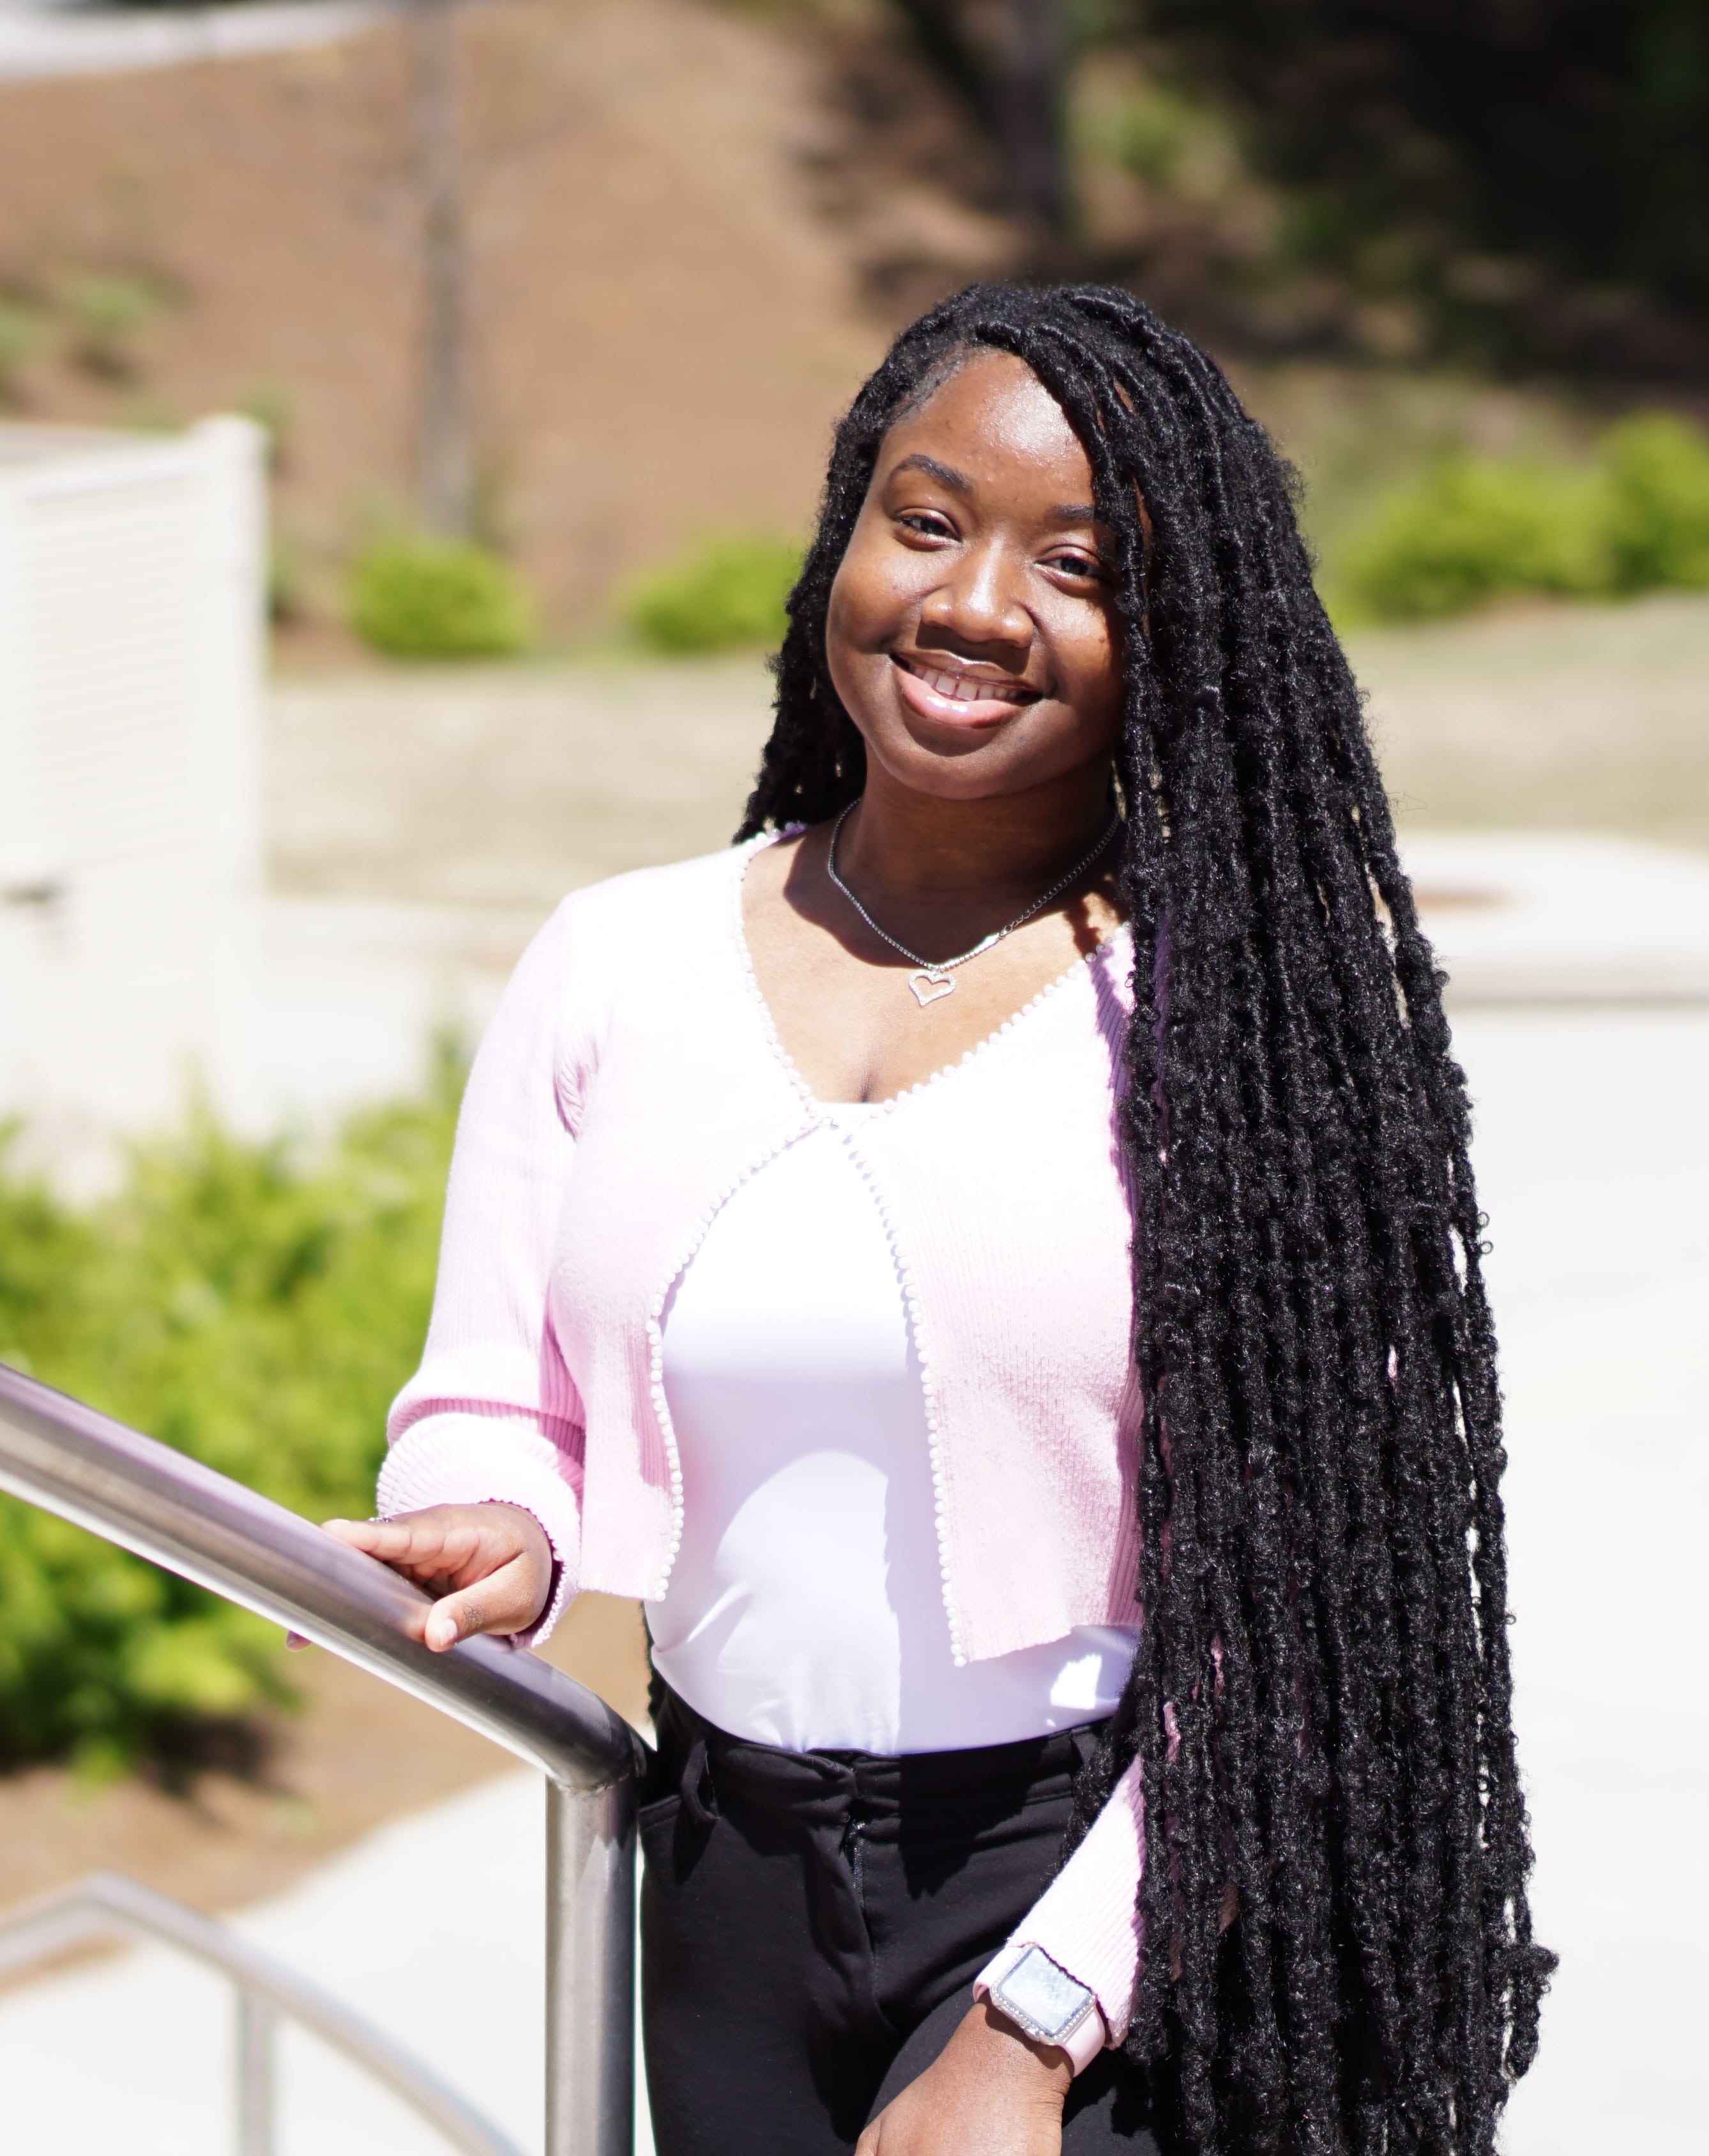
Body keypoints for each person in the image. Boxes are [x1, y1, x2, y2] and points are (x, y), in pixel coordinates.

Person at [324, 284, 1549, 2156]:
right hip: (725, 1875)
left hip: (1107, 1891)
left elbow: (1303, 1616)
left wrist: (1035, 2028)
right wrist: (508, 1514)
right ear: (847, 536)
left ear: (1180, 638)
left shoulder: (1260, 1038)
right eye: (927, 521)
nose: (975, 605)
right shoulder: (614, 961)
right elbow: (497, 1386)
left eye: (1080, 565)